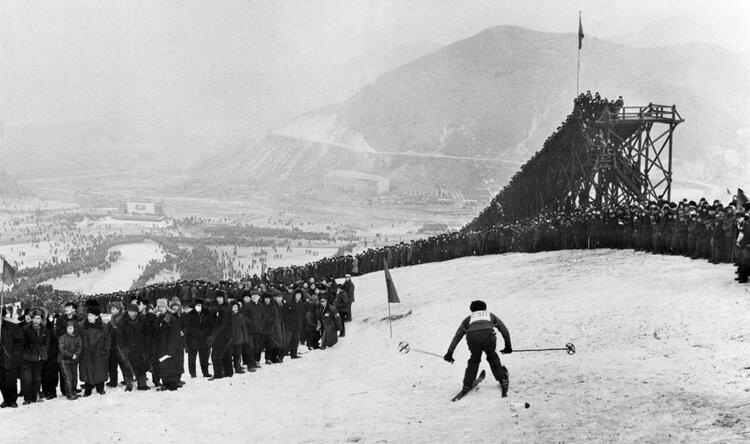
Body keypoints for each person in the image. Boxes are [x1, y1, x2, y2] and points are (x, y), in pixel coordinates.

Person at [443, 300, 512, 397]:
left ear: (472, 310)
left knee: (474, 360)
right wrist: (508, 346)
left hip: (472, 337)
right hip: (488, 335)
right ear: (485, 308)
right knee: (492, 357)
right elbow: (504, 330)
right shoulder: (490, 315)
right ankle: (502, 379)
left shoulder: (468, 319)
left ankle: (467, 384)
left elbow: (457, 336)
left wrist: (449, 353)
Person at [79, 305, 111, 396]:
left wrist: (105, 350)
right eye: (89, 315)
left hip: (99, 352)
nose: (90, 317)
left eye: (92, 315)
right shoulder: (81, 326)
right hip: (86, 352)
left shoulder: (103, 326)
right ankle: (88, 389)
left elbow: (108, 339)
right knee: (87, 371)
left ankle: (100, 388)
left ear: (97, 316)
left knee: (100, 370)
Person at [154, 299, 184, 391]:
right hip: (162, 346)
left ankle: (172, 385)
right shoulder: (160, 317)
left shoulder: (171, 318)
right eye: (159, 307)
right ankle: (165, 384)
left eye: (163, 306)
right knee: (164, 366)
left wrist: (171, 349)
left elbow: (174, 335)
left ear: (166, 307)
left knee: (171, 366)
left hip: (171, 347)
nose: (161, 308)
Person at [20, 310, 50, 404]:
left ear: (41, 319)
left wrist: (42, 351)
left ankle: (36, 395)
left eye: (38, 318)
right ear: (31, 319)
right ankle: (27, 398)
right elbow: (21, 343)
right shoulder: (25, 329)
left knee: (37, 378)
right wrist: (27, 352)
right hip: (27, 358)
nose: (36, 320)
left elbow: (47, 342)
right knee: (27, 379)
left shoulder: (44, 329)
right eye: (34, 318)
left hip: (39, 358)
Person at [0, 307, 23, 408]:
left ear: (3, 315)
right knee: (1, 380)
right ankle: (6, 400)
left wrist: (15, 355)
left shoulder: (12, 327)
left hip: (10, 357)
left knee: (11, 380)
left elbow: (19, 342)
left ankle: (13, 400)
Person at [185, 298, 213, 378]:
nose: (198, 307)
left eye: (200, 305)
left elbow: (210, 326)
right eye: (197, 305)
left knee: (204, 357)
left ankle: (205, 372)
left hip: (204, 339)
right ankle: (192, 373)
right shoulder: (190, 314)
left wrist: (204, 333)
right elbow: (188, 327)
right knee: (192, 358)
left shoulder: (207, 314)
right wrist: (198, 332)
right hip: (192, 339)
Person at [58, 321, 82, 400]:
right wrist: (72, 355)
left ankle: (73, 391)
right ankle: (69, 394)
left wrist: (76, 354)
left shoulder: (77, 337)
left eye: (71, 328)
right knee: (68, 377)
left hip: (74, 360)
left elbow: (80, 347)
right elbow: (62, 350)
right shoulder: (62, 338)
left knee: (74, 377)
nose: (69, 330)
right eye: (68, 328)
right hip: (64, 361)